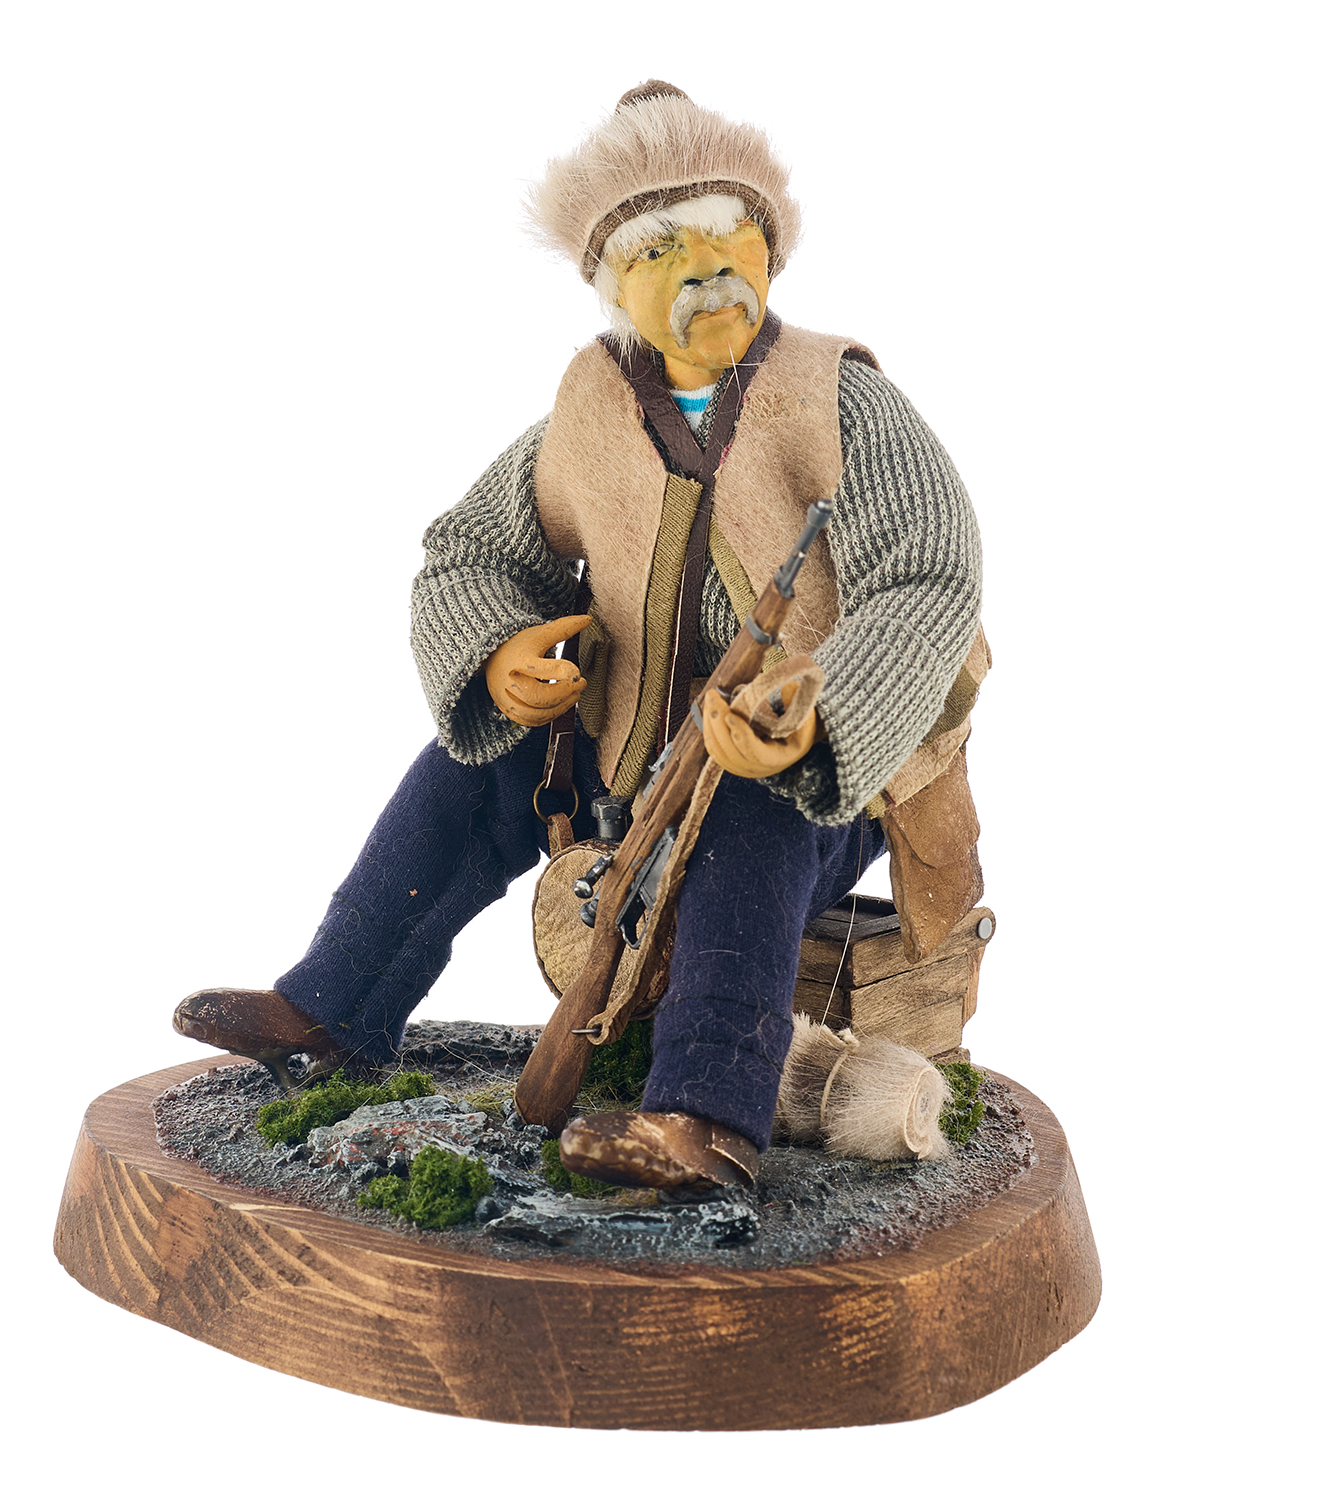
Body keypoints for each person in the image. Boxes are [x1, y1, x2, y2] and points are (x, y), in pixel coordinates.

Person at [174, 81, 984, 1191]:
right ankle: (333, 1008)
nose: (705, 270)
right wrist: (501, 655)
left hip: (821, 776)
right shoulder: (591, 413)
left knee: (743, 826)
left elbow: (929, 576)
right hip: (624, 749)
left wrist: (817, 713)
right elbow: (470, 548)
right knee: (469, 771)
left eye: (729, 236)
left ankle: (704, 1118)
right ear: (610, 283)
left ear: (771, 247)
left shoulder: (842, 402)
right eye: (662, 251)